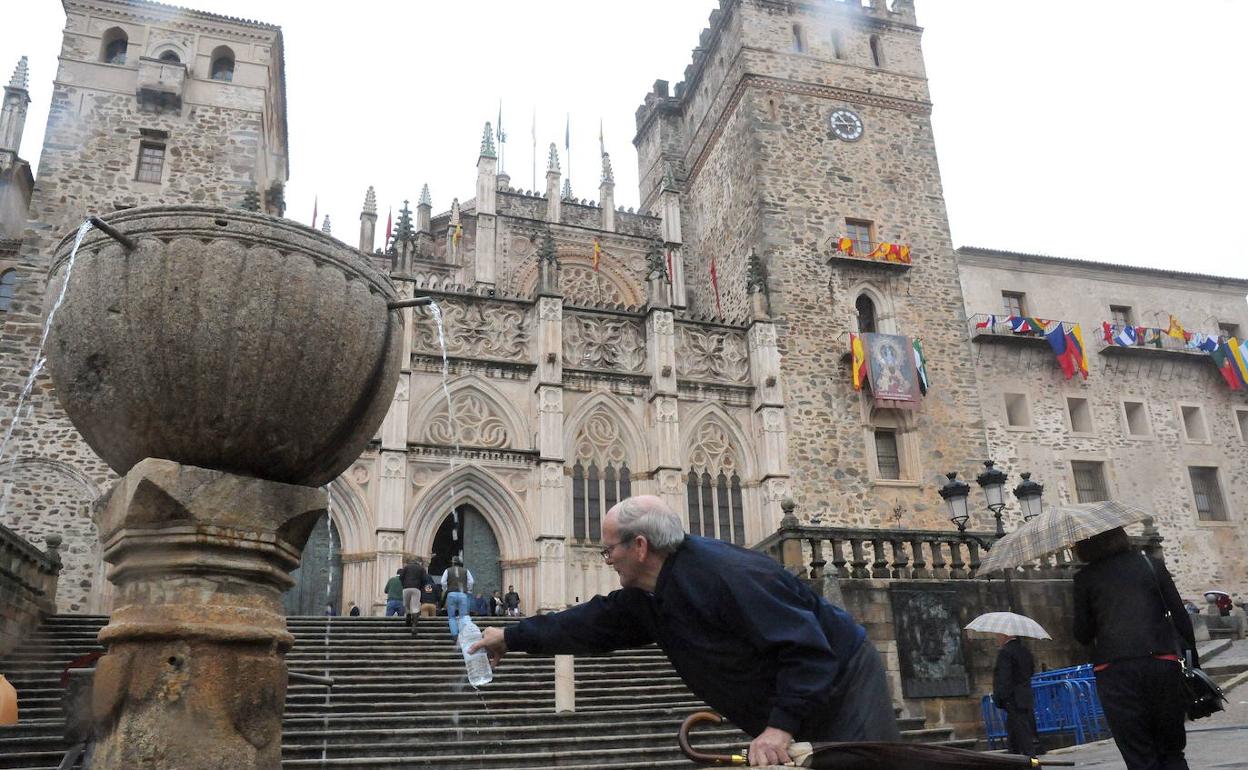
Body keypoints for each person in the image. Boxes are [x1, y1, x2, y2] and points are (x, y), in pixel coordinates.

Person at [470, 495, 898, 767]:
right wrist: (510, 638)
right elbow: (590, 624)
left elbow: (807, 650)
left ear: (639, 546)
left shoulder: (729, 574)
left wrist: (779, 728)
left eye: (608, 549)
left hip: (844, 685)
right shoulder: (649, 593)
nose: (606, 560)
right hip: (795, 700)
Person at [1073, 527, 1196, 770]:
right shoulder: (1151, 565)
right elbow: (1181, 618)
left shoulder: (1085, 578)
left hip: (1116, 670)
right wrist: (1193, 665)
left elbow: (1082, 633)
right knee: (1172, 752)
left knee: (1139, 756)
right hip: (1162, 661)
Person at [992, 633, 1039, 757]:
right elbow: (1031, 671)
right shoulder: (1025, 651)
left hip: (1012, 698)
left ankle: (1033, 762)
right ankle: (1014, 759)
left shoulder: (1005, 653)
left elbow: (1004, 677)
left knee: (1023, 735)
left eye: (998, 636)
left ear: (1005, 636)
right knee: (1015, 732)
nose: (996, 638)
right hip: (1025, 696)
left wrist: (1001, 697)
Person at [440, 555, 474, 640]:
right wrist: (468, 590)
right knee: (463, 616)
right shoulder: (466, 571)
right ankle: (463, 633)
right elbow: (471, 581)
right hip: (463, 594)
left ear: (452, 563)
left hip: (451, 593)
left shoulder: (448, 570)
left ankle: (455, 634)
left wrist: (446, 589)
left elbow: (443, 582)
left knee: (451, 617)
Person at [399, 558, 430, 636]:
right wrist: (420, 586)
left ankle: (408, 618)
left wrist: (404, 584)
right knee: (415, 607)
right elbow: (425, 579)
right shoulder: (421, 568)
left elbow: (401, 577)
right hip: (416, 589)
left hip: (406, 588)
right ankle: (414, 626)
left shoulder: (406, 567)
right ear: (418, 562)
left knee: (406, 605)